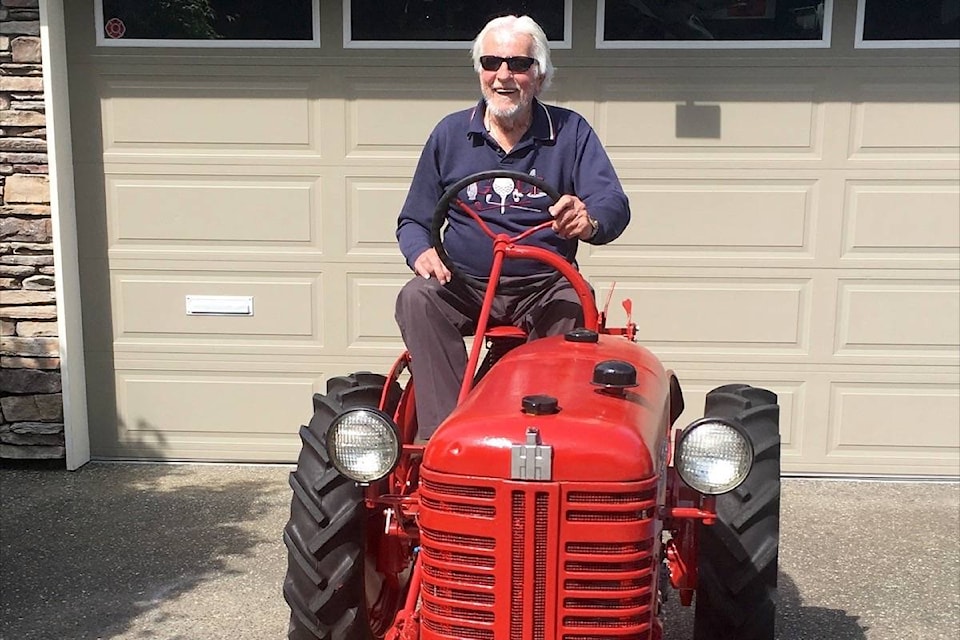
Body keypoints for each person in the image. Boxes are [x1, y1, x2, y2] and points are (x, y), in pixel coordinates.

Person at [395, 14, 631, 441]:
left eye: (518, 65)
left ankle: (543, 436)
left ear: (539, 76)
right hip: (464, 285)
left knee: (575, 305)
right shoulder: (450, 134)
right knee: (417, 298)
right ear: (480, 72)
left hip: (543, 284)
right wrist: (420, 251)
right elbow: (414, 218)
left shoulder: (570, 131)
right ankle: (447, 437)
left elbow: (613, 204)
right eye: (491, 63)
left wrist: (588, 219)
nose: (503, 76)